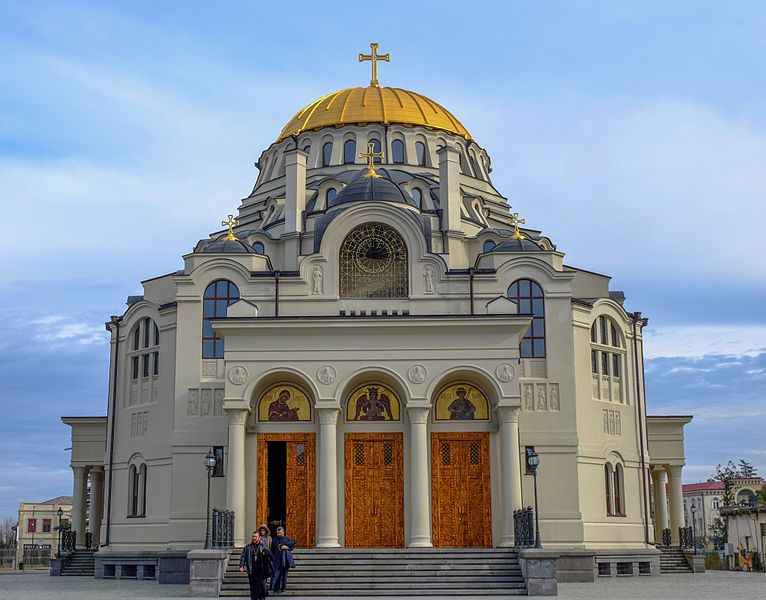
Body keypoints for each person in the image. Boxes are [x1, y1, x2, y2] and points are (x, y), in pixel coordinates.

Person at [239, 530, 273, 600]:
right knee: (253, 588)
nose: (254, 538)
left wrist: (266, 553)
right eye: (253, 536)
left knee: (262, 588)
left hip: (262, 571)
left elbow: (271, 556)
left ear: (259, 537)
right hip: (252, 571)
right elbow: (243, 557)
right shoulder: (247, 547)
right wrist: (241, 566)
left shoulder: (264, 546)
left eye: (255, 536)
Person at [270, 525, 295, 593]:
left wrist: (287, 548)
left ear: (283, 532)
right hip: (276, 559)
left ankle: (283, 588)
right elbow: (272, 549)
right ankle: (275, 588)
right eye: (278, 533)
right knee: (276, 574)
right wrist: (272, 557)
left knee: (284, 574)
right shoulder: (274, 539)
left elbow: (291, 547)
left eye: (280, 533)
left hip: (285, 559)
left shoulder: (287, 539)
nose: (279, 534)